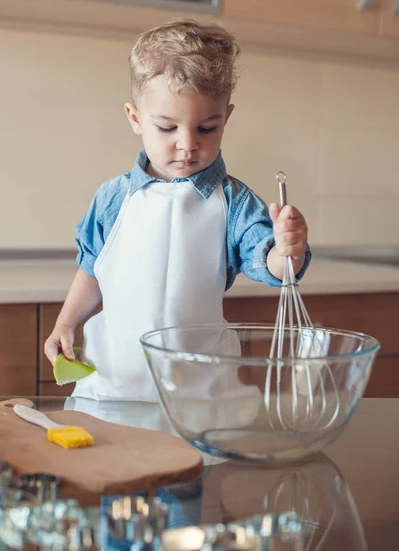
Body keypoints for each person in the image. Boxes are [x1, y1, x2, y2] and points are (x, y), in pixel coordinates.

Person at [44, 20, 311, 402]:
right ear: (136, 119)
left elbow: (270, 264)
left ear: (226, 118)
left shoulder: (233, 202)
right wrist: (66, 322)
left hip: (203, 396)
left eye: (206, 128)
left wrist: (287, 250)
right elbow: (92, 269)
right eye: (167, 128)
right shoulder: (113, 198)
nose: (188, 144)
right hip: (112, 389)